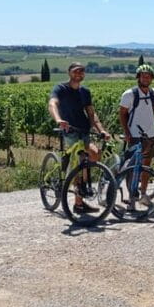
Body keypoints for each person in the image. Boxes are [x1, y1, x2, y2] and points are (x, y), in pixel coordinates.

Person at [47, 62, 111, 214]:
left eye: (82, 71)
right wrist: (58, 120)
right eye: (76, 71)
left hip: (84, 130)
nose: (79, 74)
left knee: (94, 154)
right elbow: (52, 104)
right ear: (69, 73)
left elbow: (91, 114)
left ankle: (81, 185)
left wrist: (102, 130)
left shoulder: (85, 92)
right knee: (79, 159)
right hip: (69, 131)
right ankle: (79, 202)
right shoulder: (60, 89)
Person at [119, 64, 154, 205]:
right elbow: (122, 114)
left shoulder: (153, 93)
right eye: (143, 76)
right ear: (138, 77)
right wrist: (127, 132)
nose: (146, 78)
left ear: (152, 78)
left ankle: (142, 194)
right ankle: (131, 196)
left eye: (148, 76)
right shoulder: (129, 94)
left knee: (146, 165)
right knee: (133, 167)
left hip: (150, 134)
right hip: (135, 135)